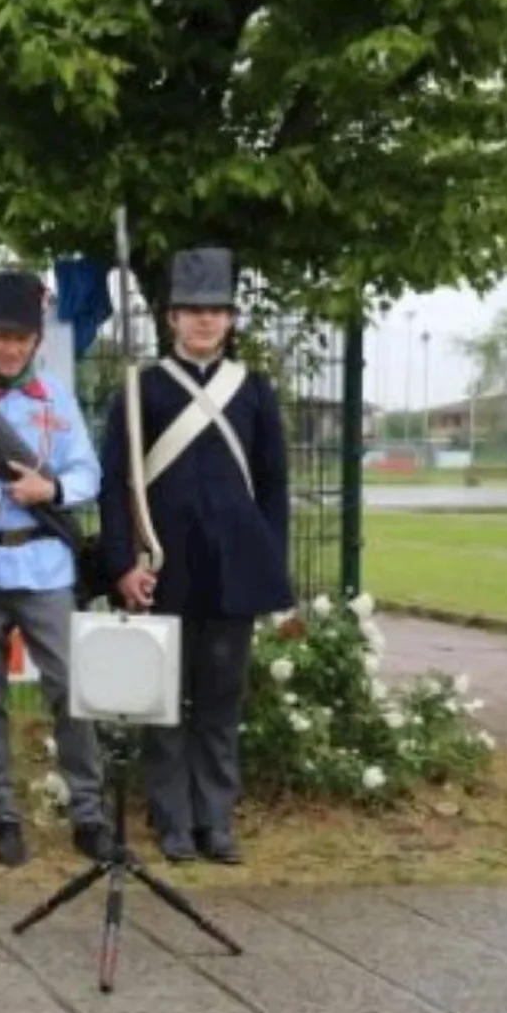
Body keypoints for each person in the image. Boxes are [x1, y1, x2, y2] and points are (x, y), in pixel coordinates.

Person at [97, 248, 291, 865]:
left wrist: (270, 568)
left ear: (231, 320)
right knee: (164, 701)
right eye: (191, 311)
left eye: (215, 310)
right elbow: (116, 484)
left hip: (233, 570)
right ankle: (172, 819)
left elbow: (274, 486)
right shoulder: (141, 389)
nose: (204, 321)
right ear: (171, 317)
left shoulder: (254, 392)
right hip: (163, 567)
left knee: (219, 701)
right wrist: (123, 563)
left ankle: (216, 819)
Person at [0, 271, 110, 866]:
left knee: (71, 691)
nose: (10, 348)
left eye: (21, 338)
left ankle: (88, 812)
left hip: (45, 565)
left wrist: (49, 488)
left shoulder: (55, 397)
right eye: (1, 335)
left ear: (36, 341)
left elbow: (88, 474)